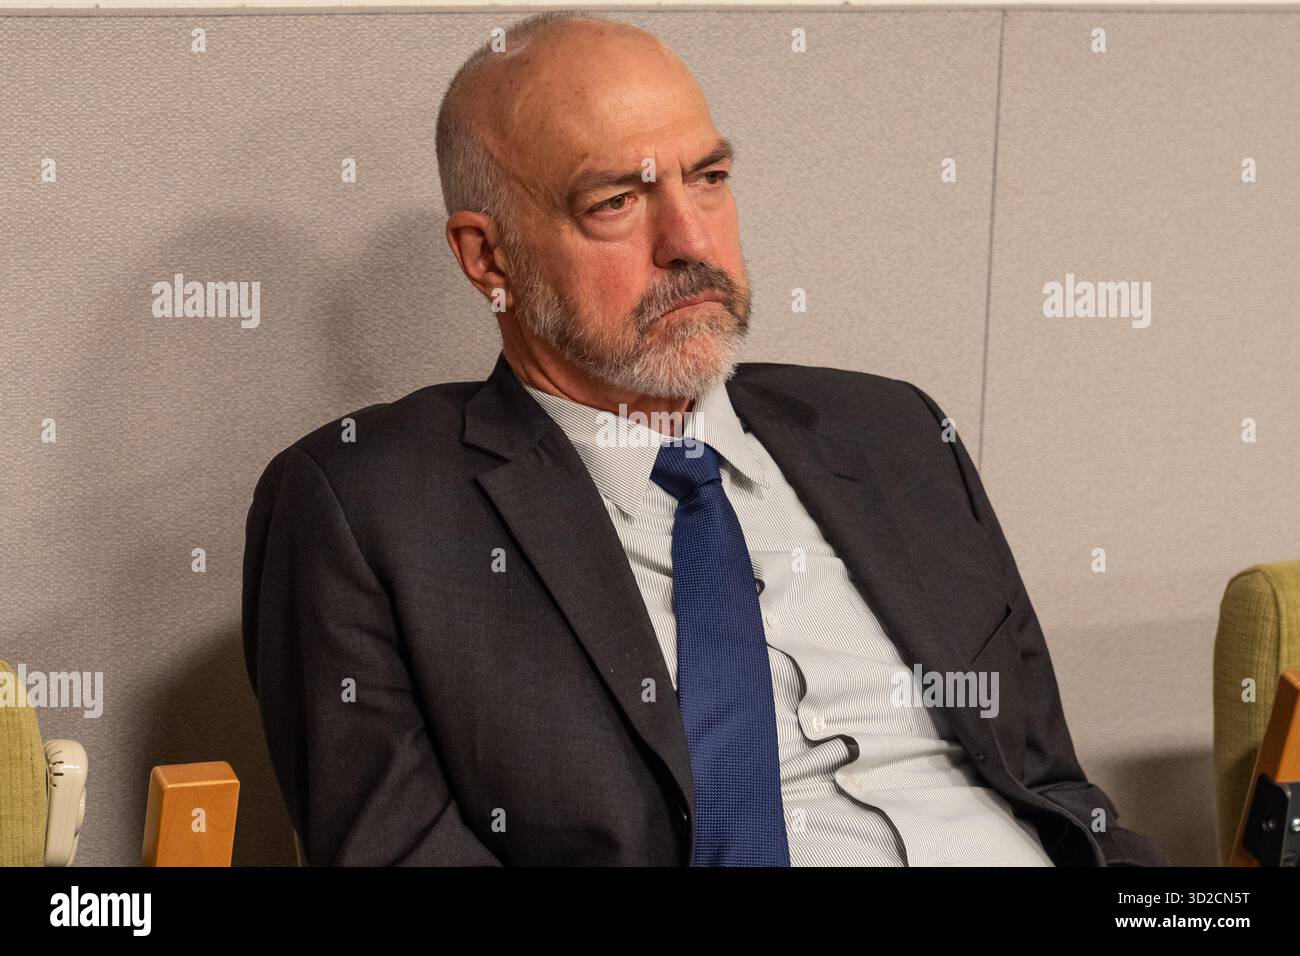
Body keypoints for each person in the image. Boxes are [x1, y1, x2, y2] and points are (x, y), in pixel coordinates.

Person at [241, 10, 1167, 866]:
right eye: (616, 202)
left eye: (710, 178)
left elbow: (1052, 790)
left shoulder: (894, 432)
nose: (691, 239)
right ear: (491, 259)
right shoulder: (362, 504)